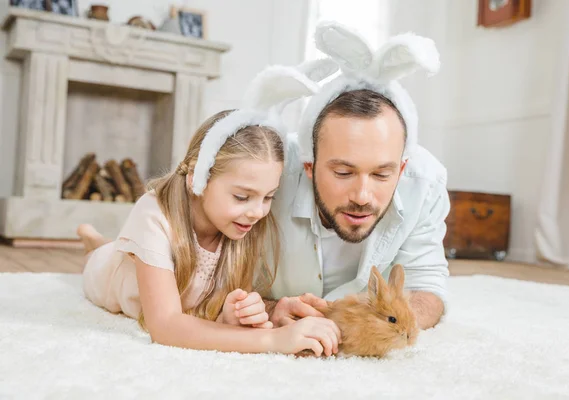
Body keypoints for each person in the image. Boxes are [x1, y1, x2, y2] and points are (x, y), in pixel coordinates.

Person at [78, 62, 344, 357]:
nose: (258, 212)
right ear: (197, 180)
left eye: (268, 197)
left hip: (143, 256)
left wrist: (255, 312)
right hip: (105, 275)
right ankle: (92, 243)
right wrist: (274, 341)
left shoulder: (239, 225)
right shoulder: (154, 214)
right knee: (99, 257)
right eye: (242, 197)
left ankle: (99, 240)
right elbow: (165, 326)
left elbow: (208, 309)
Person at [265, 22, 450, 331]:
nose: (362, 196)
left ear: (401, 169)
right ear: (309, 165)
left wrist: (373, 326)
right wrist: (270, 307)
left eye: (381, 174)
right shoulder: (269, 172)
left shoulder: (426, 181)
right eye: (343, 172)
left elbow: (427, 285)